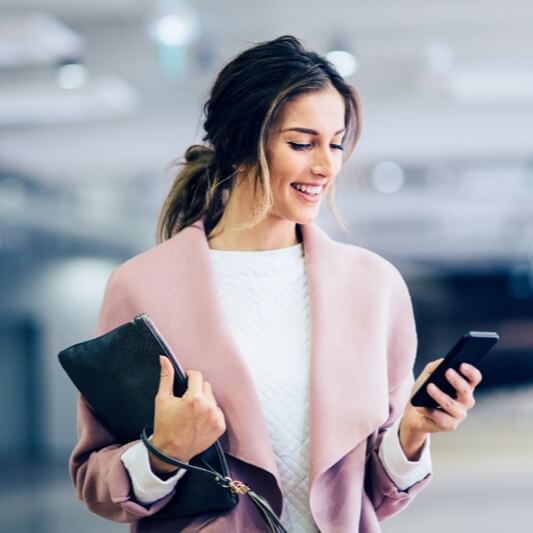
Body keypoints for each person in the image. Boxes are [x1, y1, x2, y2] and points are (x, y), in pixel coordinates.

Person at [69, 35, 482, 532]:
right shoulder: (142, 287)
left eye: (335, 143)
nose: (326, 166)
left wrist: (412, 432)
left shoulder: (376, 288)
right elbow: (96, 480)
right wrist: (163, 451)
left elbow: (375, 493)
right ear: (242, 144)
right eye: (302, 143)